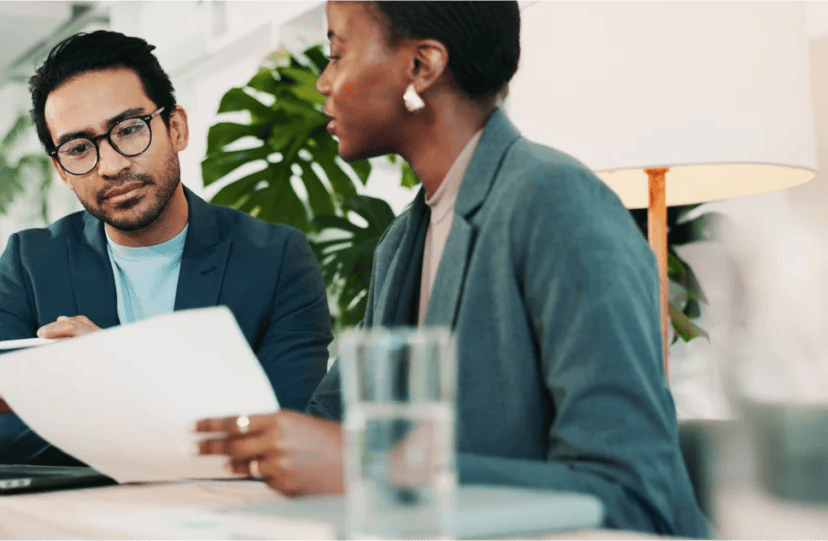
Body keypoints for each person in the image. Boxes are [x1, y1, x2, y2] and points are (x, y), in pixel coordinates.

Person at [194, 1, 708, 536]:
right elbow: (327, 425)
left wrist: (375, 472)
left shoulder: (556, 203)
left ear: (422, 67)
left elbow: (632, 494)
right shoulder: (402, 242)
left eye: (337, 54)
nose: (324, 82)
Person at [0, 30, 333, 466]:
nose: (111, 166)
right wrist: (163, 414)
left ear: (176, 127)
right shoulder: (32, 263)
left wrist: (120, 372)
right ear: (61, 169)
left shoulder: (274, 259)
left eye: (129, 130)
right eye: (78, 148)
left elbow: (285, 433)